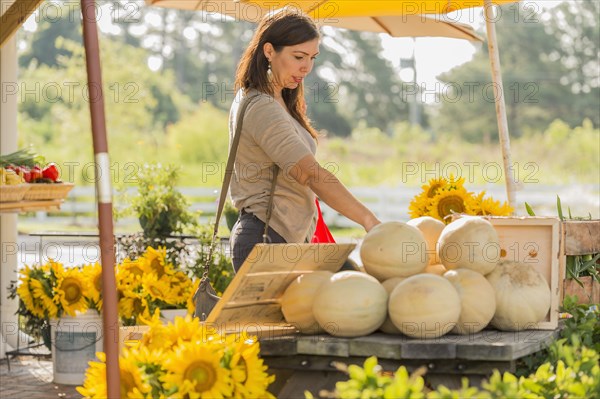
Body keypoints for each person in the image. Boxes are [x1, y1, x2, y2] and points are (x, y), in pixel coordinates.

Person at [228, 8, 381, 271]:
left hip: (291, 238)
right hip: (267, 239)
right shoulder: (261, 106)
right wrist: (368, 219)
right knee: (353, 293)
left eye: (312, 57)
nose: (307, 67)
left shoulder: (280, 100)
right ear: (269, 51)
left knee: (354, 290)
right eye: (298, 56)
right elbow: (310, 174)